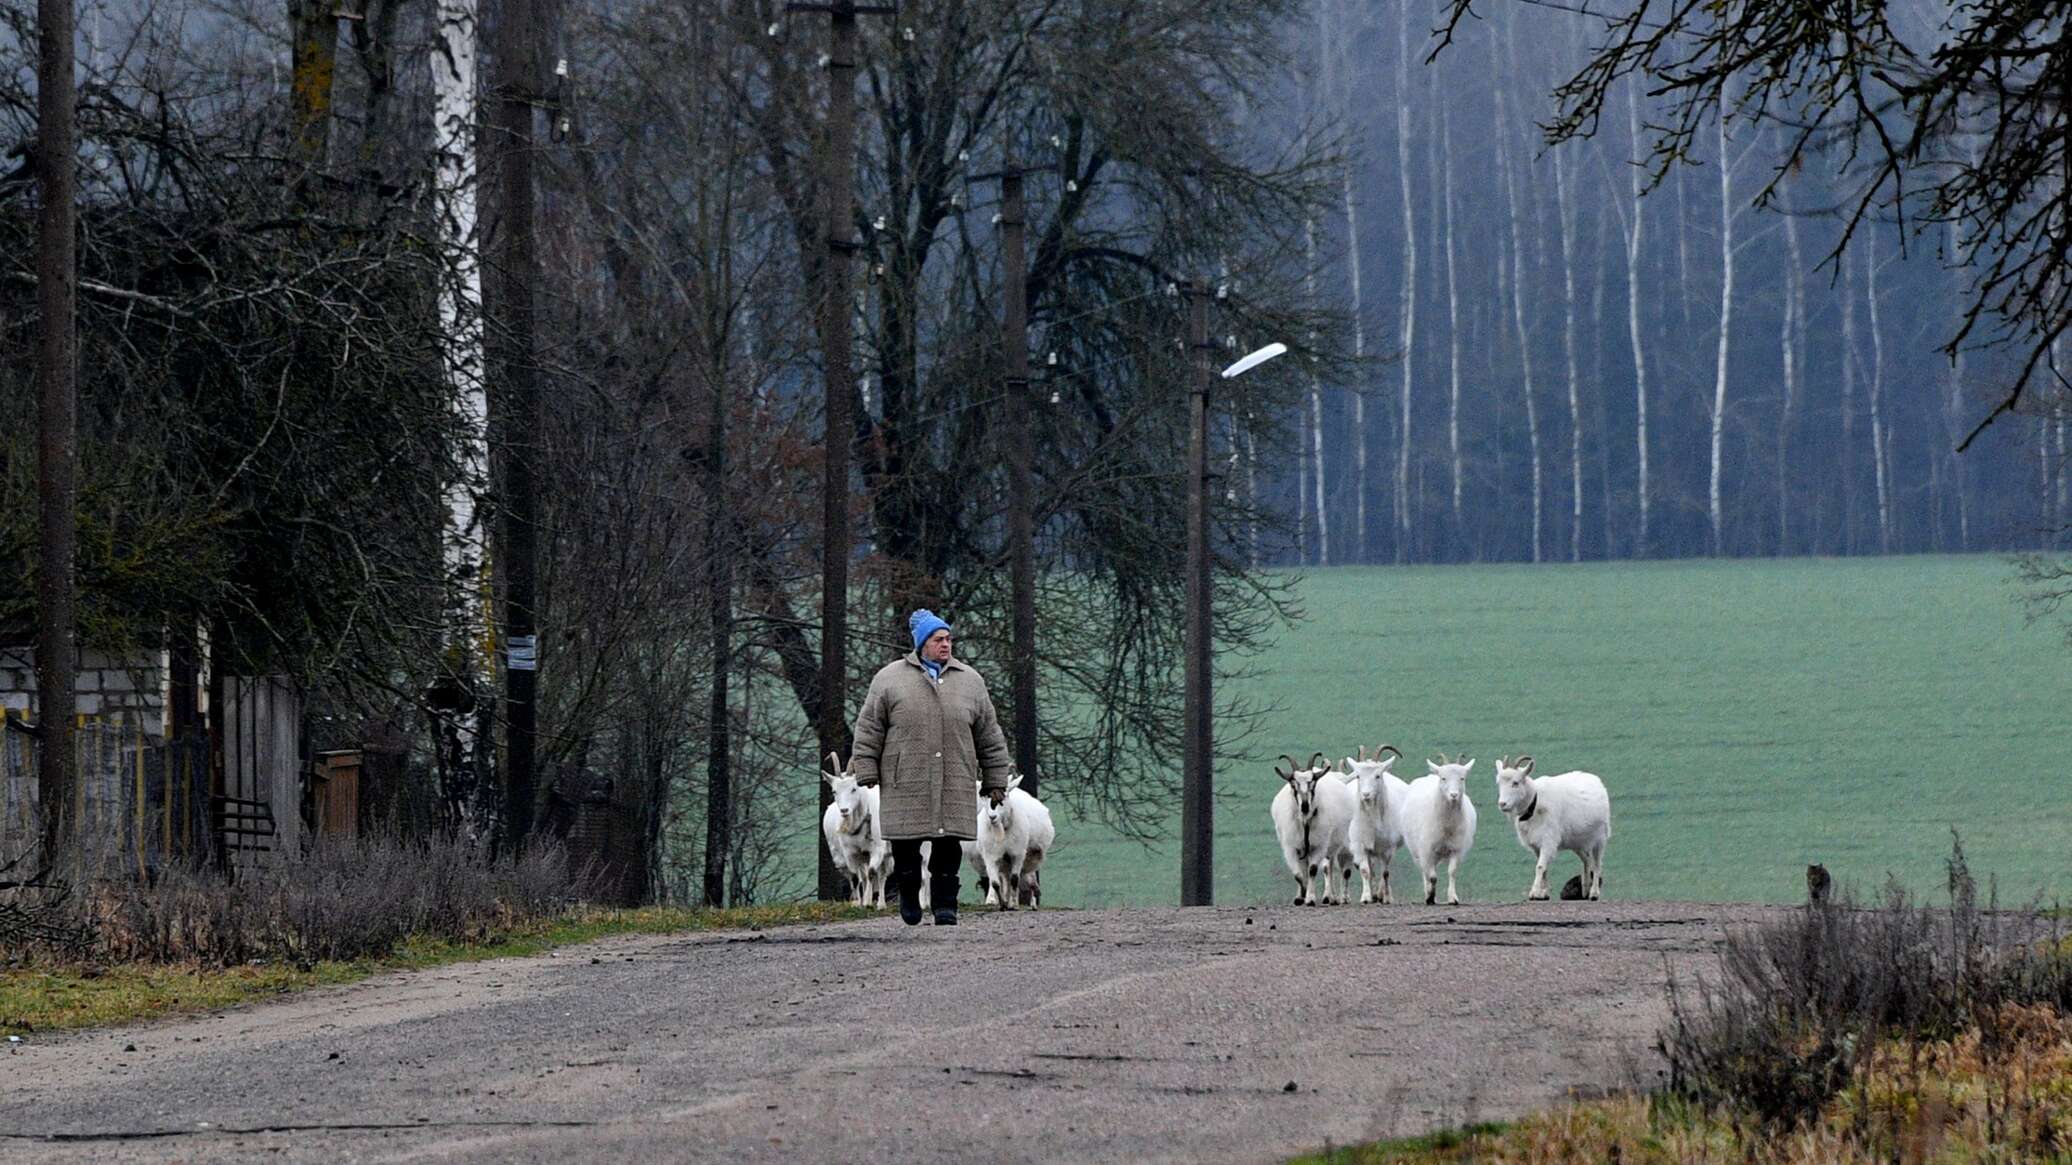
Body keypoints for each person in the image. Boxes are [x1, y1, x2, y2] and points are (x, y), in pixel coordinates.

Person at [849, 609, 1012, 925]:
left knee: (948, 849)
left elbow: (990, 735)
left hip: (955, 776)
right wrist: (865, 768)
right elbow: (869, 727)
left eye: (949, 639)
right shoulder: (889, 680)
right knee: (906, 848)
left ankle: (945, 904)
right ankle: (909, 895)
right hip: (905, 778)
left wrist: (996, 779)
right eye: (939, 639)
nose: (946, 645)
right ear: (922, 643)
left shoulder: (971, 681)